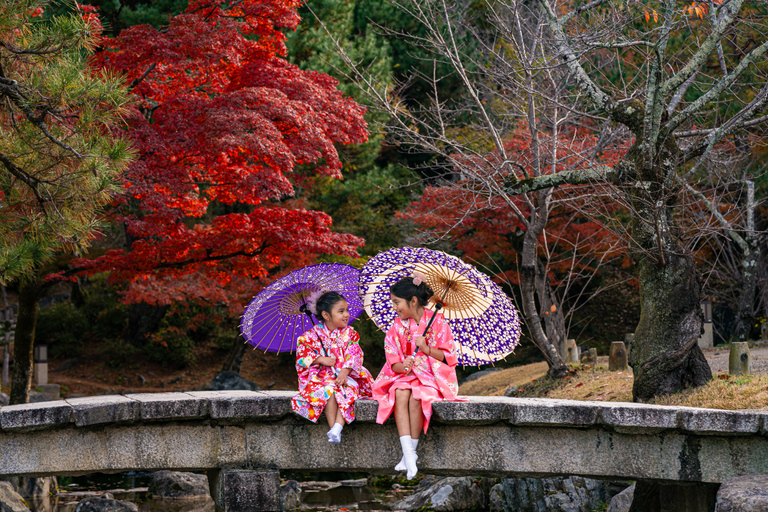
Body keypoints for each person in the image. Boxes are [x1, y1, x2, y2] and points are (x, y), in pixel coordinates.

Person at [372, 273, 461, 479]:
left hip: (432, 377)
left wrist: (427, 348)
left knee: (417, 399)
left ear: (413, 301)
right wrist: (404, 365)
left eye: (397, 302)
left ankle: (409, 454)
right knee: (401, 393)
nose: (395, 308)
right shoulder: (396, 327)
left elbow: (449, 359)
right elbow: (392, 360)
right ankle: (409, 454)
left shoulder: (438, 323)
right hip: (406, 375)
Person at [291, 291, 374, 444]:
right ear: (326, 315)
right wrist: (321, 359)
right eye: (341, 311)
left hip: (347, 375)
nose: (346, 314)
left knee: (348, 391)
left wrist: (345, 370)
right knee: (329, 392)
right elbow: (302, 358)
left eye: (347, 310)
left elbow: (354, 352)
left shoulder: (349, 333)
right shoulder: (311, 336)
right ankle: (333, 430)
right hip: (322, 376)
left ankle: (337, 427)